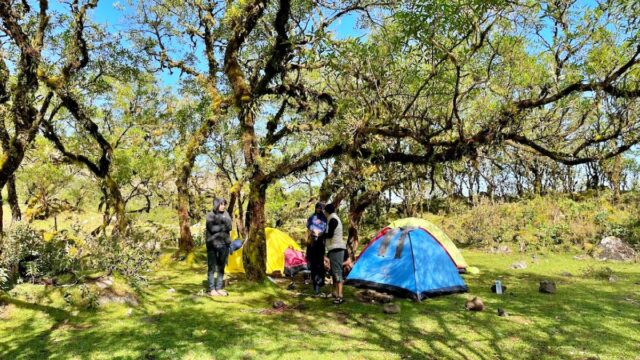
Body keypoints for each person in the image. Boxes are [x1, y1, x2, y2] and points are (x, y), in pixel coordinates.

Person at [205, 197, 232, 296]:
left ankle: (219, 288)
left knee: (221, 267)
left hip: (224, 244)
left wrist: (221, 226)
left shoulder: (226, 214)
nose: (223, 206)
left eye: (224, 204)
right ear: (216, 204)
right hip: (212, 245)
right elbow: (212, 228)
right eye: (221, 204)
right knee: (212, 267)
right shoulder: (210, 215)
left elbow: (230, 226)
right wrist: (223, 226)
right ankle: (212, 289)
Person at [323, 203, 346, 304]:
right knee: (334, 271)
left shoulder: (332, 219)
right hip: (334, 248)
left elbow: (330, 234)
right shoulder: (333, 218)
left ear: (326, 211)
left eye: (324, 211)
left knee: (337, 272)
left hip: (336, 248)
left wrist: (320, 234)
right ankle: (335, 293)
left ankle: (340, 296)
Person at [306, 202, 327, 295]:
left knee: (320, 264)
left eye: (320, 208)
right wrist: (313, 232)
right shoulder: (311, 217)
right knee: (313, 264)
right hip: (312, 243)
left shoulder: (324, 218)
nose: (319, 209)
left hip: (321, 243)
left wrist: (320, 233)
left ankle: (320, 282)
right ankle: (315, 285)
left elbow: (325, 228)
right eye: (317, 208)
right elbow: (309, 226)